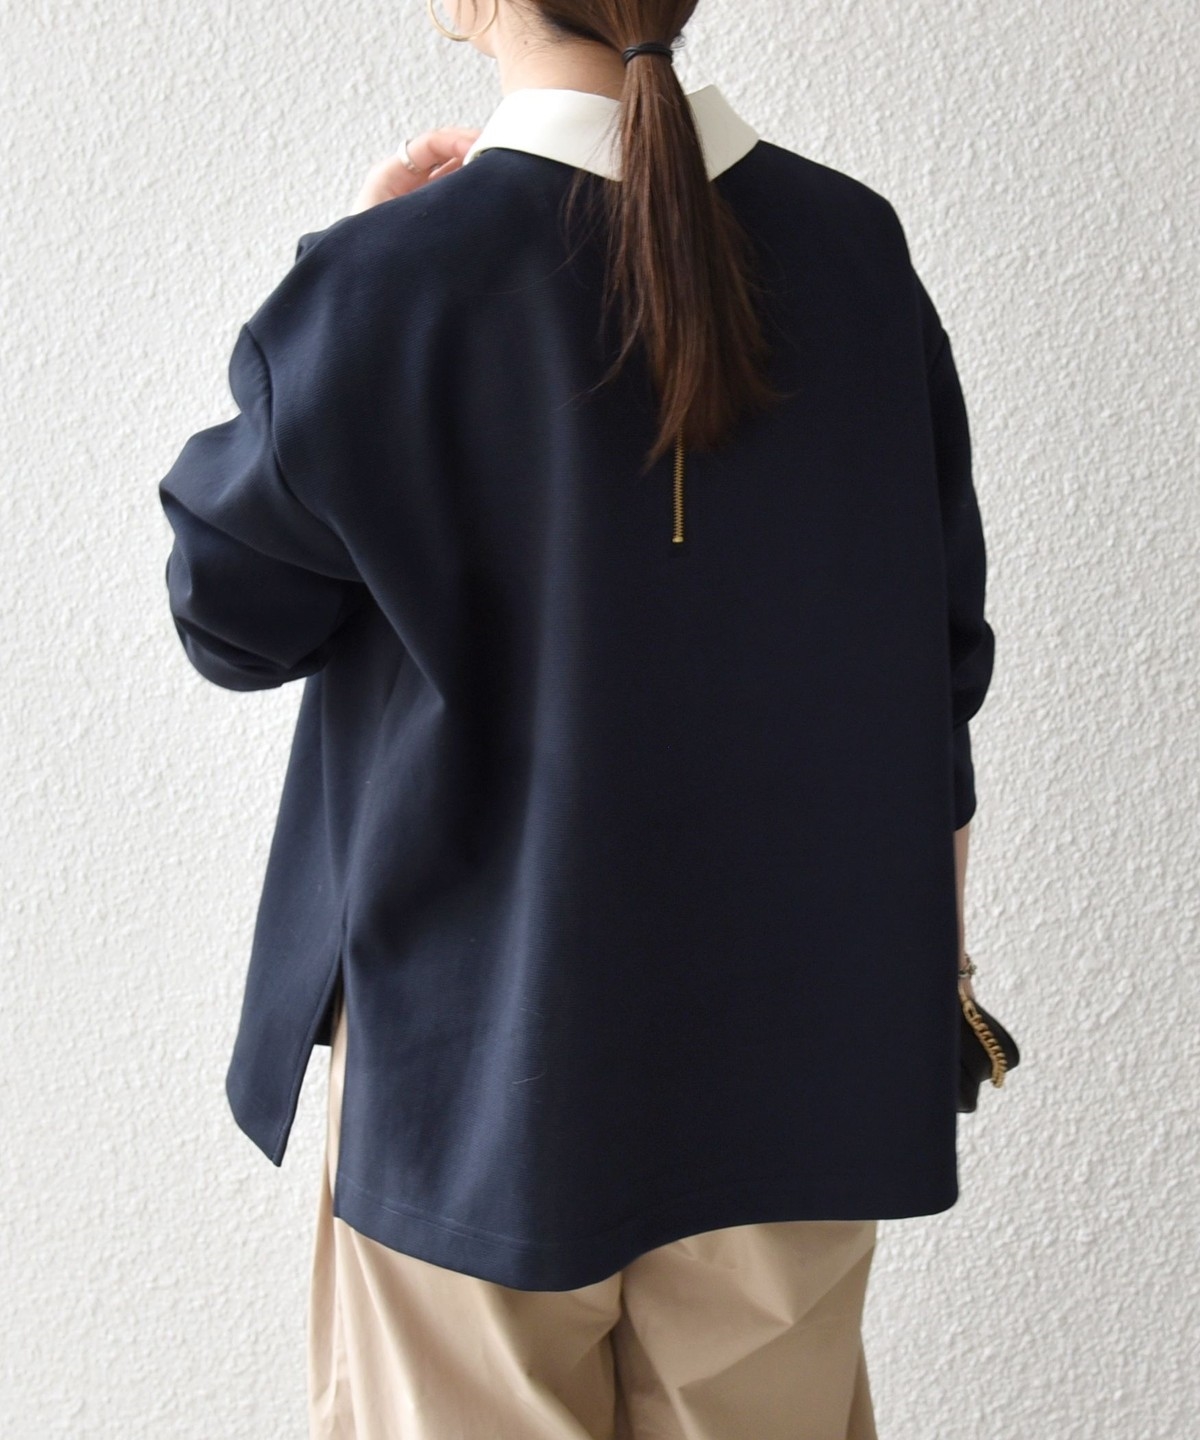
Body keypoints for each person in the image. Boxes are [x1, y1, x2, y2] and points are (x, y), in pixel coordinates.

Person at [156, 1, 997, 1435]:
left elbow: (227, 614)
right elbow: (944, 668)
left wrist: (351, 273)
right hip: (802, 1059)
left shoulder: (394, 281)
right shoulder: (857, 251)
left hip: (473, 1069)